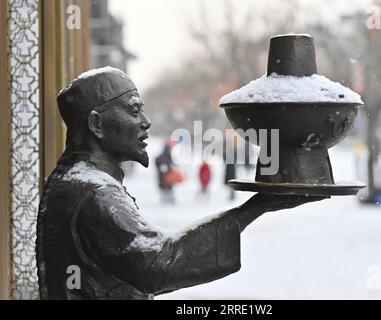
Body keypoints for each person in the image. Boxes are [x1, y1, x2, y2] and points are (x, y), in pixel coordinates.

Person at [36, 67, 326, 300]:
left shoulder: (78, 181)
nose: (146, 122)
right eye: (133, 110)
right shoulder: (92, 193)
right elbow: (159, 263)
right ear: (97, 125)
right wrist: (253, 208)